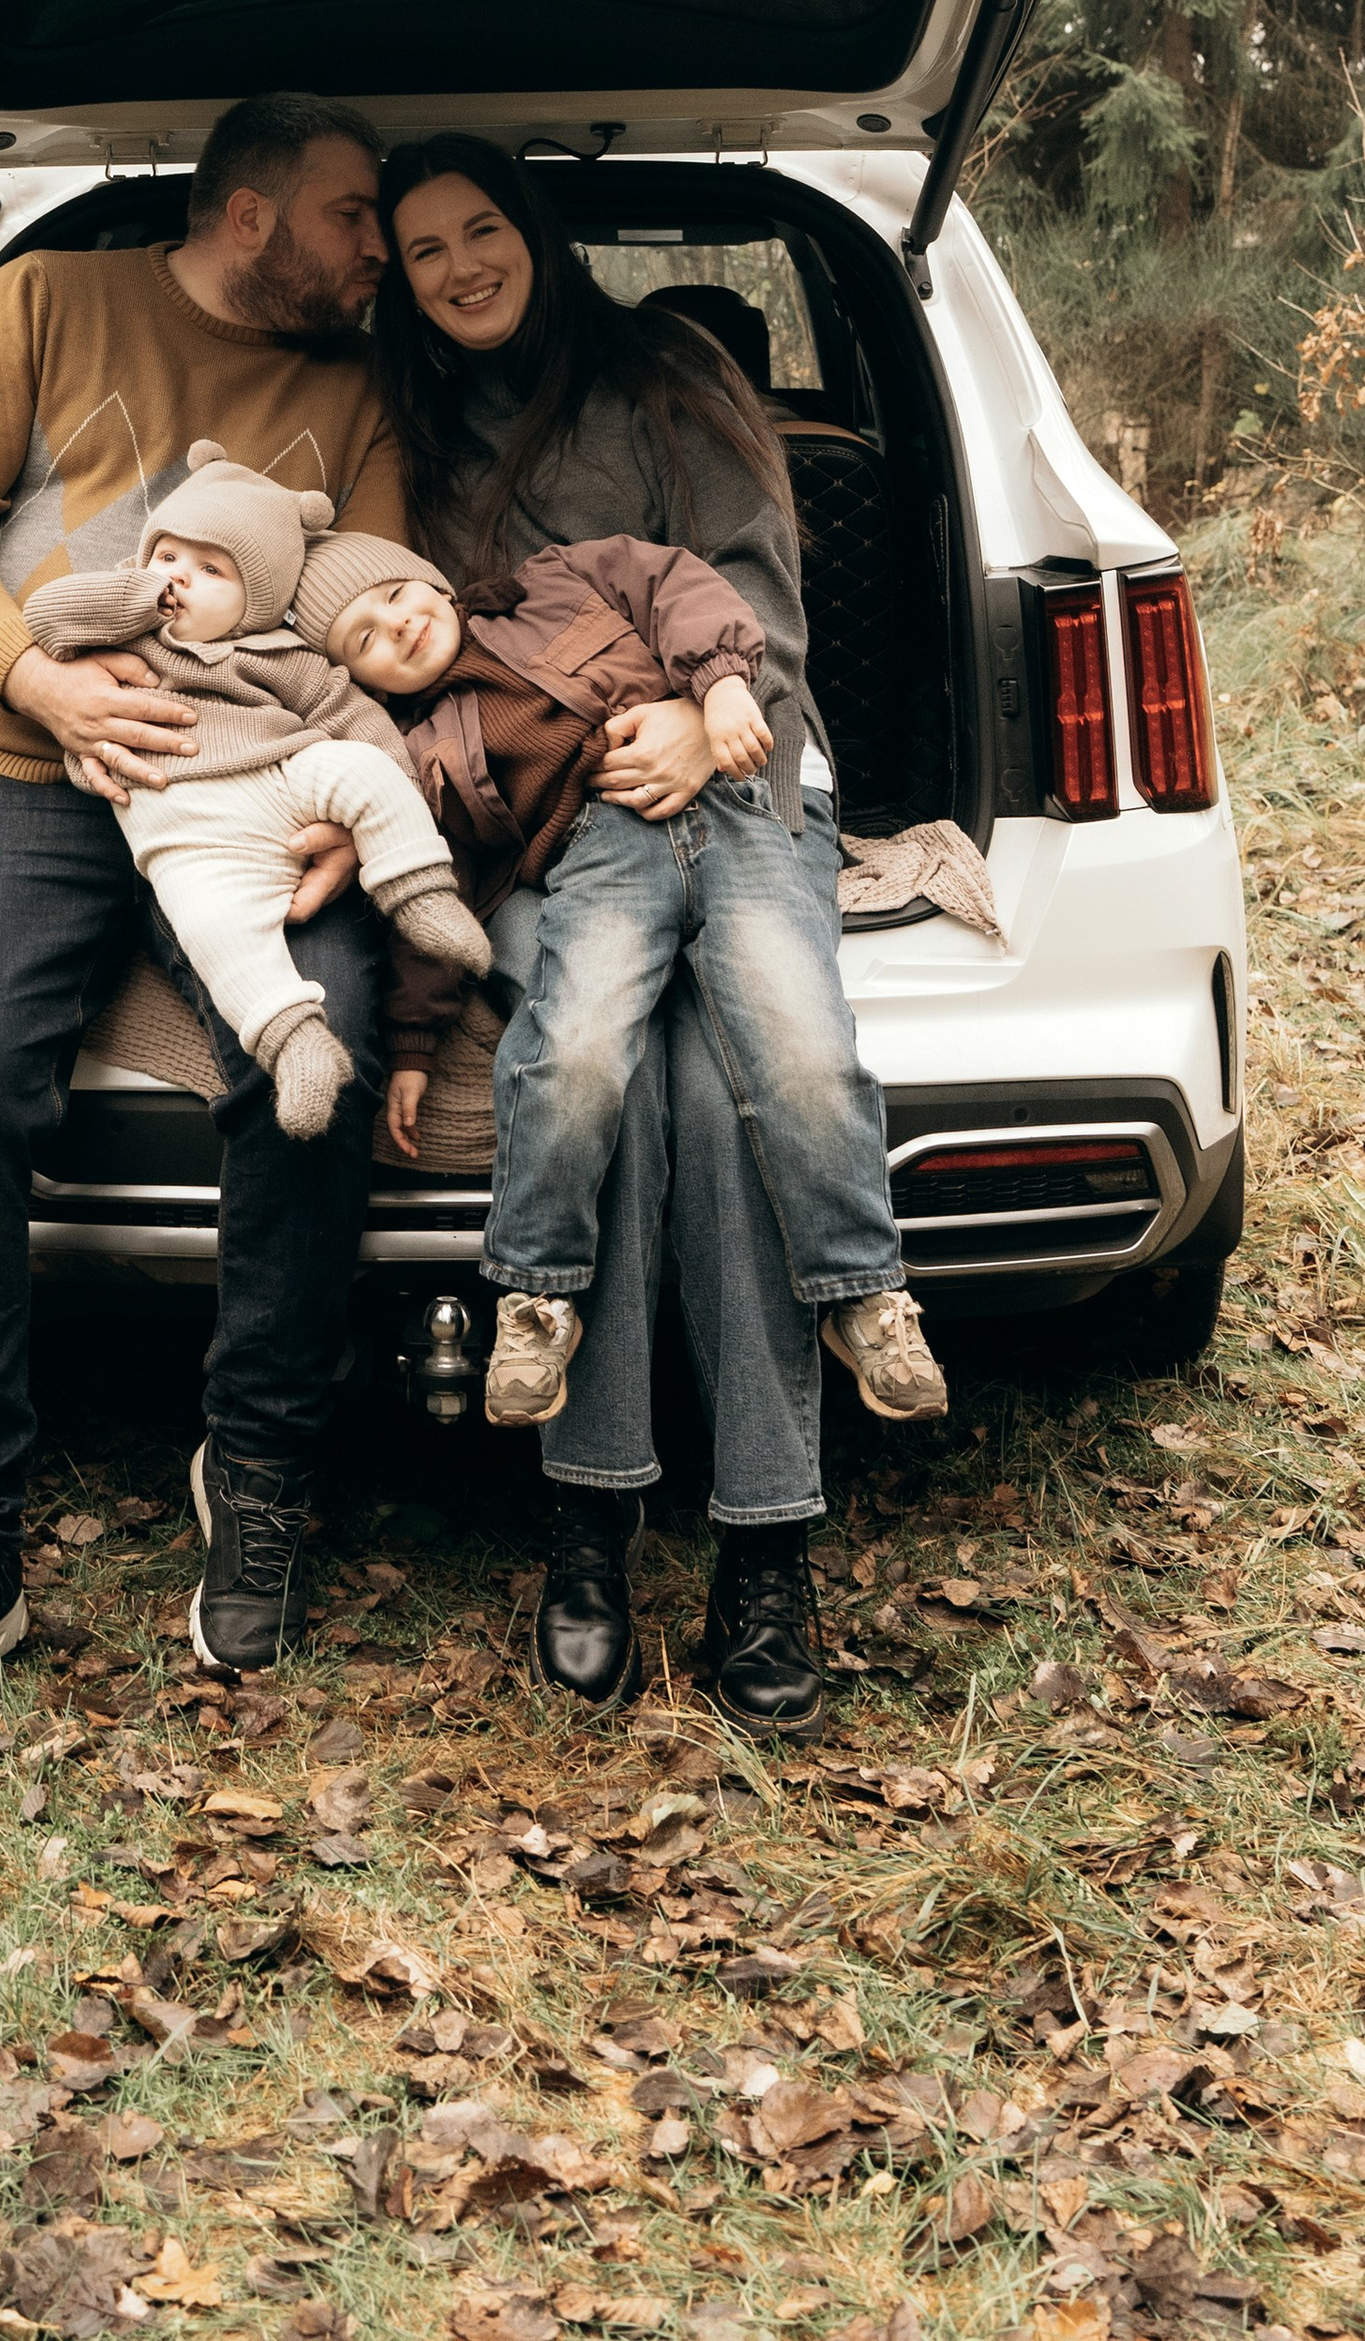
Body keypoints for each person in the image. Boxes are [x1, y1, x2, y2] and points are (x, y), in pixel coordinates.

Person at [370, 134, 945, 1738]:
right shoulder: (402, 428)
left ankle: (766, 1544)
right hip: (564, 824)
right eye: (427, 250)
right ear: (402, 284)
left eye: (487, 230)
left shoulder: (668, 374)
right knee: (619, 1081)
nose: (466, 266)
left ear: (536, 234)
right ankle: (593, 1521)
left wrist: (712, 721)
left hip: (740, 767)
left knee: (725, 1085)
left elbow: (751, 598)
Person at [0, 92, 410, 1721]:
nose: (374, 250)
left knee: (322, 1059)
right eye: (352, 217)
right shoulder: (41, 300)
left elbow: (379, 600)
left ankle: (254, 1469)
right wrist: (43, 679)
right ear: (253, 217)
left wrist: (360, 808)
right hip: (22, 775)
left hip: (255, 792)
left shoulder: (356, 390)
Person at [292, 529, 926, 1429]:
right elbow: (433, 898)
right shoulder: (424, 757)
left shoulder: (554, 579)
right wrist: (410, 1043)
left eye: (395, 596)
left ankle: (864, 1292)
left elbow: (680, 585)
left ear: (432, 579)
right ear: (363, 683)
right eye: (363, 639)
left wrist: (723, 683)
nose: (396, 628)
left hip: (737, 811)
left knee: (802, 1040)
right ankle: (537, 1296)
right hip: (603, 854)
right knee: (575, 1047)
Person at [24, 447, 489, 1136]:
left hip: (285, 779)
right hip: (185, 828)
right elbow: (46, 615)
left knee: (364, 775)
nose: (179, 577)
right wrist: (140, 593)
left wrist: (382, 807)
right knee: (218, 933)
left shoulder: (279, 654)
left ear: (257, 604)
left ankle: (420, 894)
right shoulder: (127, 632)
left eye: (211, 570)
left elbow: (359, 723)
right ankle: (295, 1045)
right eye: (169, 555)